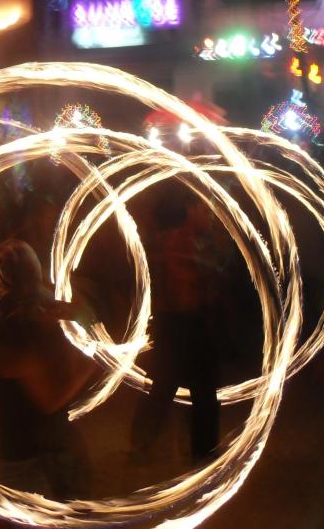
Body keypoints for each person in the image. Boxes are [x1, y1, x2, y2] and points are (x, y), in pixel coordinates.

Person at [0, 239, 95, 500]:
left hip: (22, 450)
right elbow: (50, 399)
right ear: (34, 275)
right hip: (32, 458)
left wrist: (80, 316)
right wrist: (90, 364)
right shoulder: (9, 334)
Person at [129, 196, 223, 464]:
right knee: (166, 386)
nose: (211, 216)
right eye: (205, 210)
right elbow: (183, 276)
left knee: (202, 388)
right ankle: (141, 443)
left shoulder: (199, 242)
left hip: (193, 323)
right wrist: (207, 269)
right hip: (177, 325)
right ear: (190, 209)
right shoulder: (175, 241)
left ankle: (203, 449)